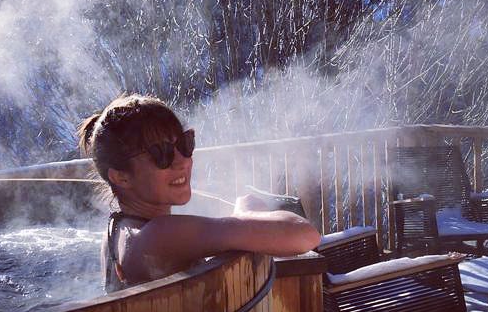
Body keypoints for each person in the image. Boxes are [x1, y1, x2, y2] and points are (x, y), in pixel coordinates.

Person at [77, 93, 320, 291]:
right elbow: (303, 234)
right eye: (160, 153)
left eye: (184, 144)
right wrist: (246, 210)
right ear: (121, 176)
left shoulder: (118, 230)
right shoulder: (157, 235)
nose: (181, 161)